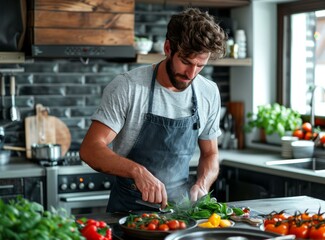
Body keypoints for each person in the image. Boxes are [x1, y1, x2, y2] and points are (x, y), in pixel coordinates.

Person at [79, 7, 227, 213]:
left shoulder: (208, 92)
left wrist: (202, 184)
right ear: (168, 48)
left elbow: (210, 153)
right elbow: (90, 149)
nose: (191, 73)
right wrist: (136, 171)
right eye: (185, 62)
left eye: (200, 65)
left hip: (181, 214)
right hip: (129, 212)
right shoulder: (128, 87)